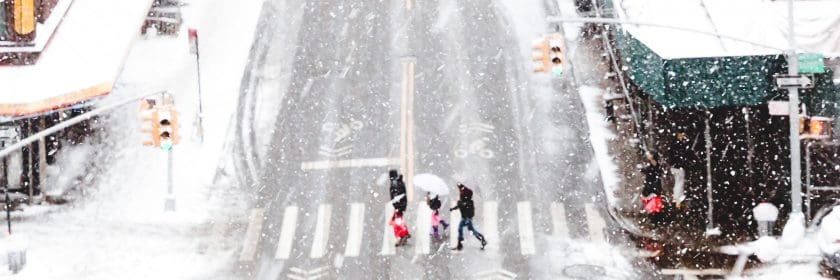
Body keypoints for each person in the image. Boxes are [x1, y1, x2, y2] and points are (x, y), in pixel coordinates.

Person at [450, 184, 487, 251]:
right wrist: (453, 208)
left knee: (461, 228)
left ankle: (460, 244)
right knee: (471, 230)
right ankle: (482, 239)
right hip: (466, 218)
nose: (460, 193)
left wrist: (468, 216)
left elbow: (468, 209)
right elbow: (460, 206)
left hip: (467, 218)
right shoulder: (464, 201)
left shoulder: (467, 202)